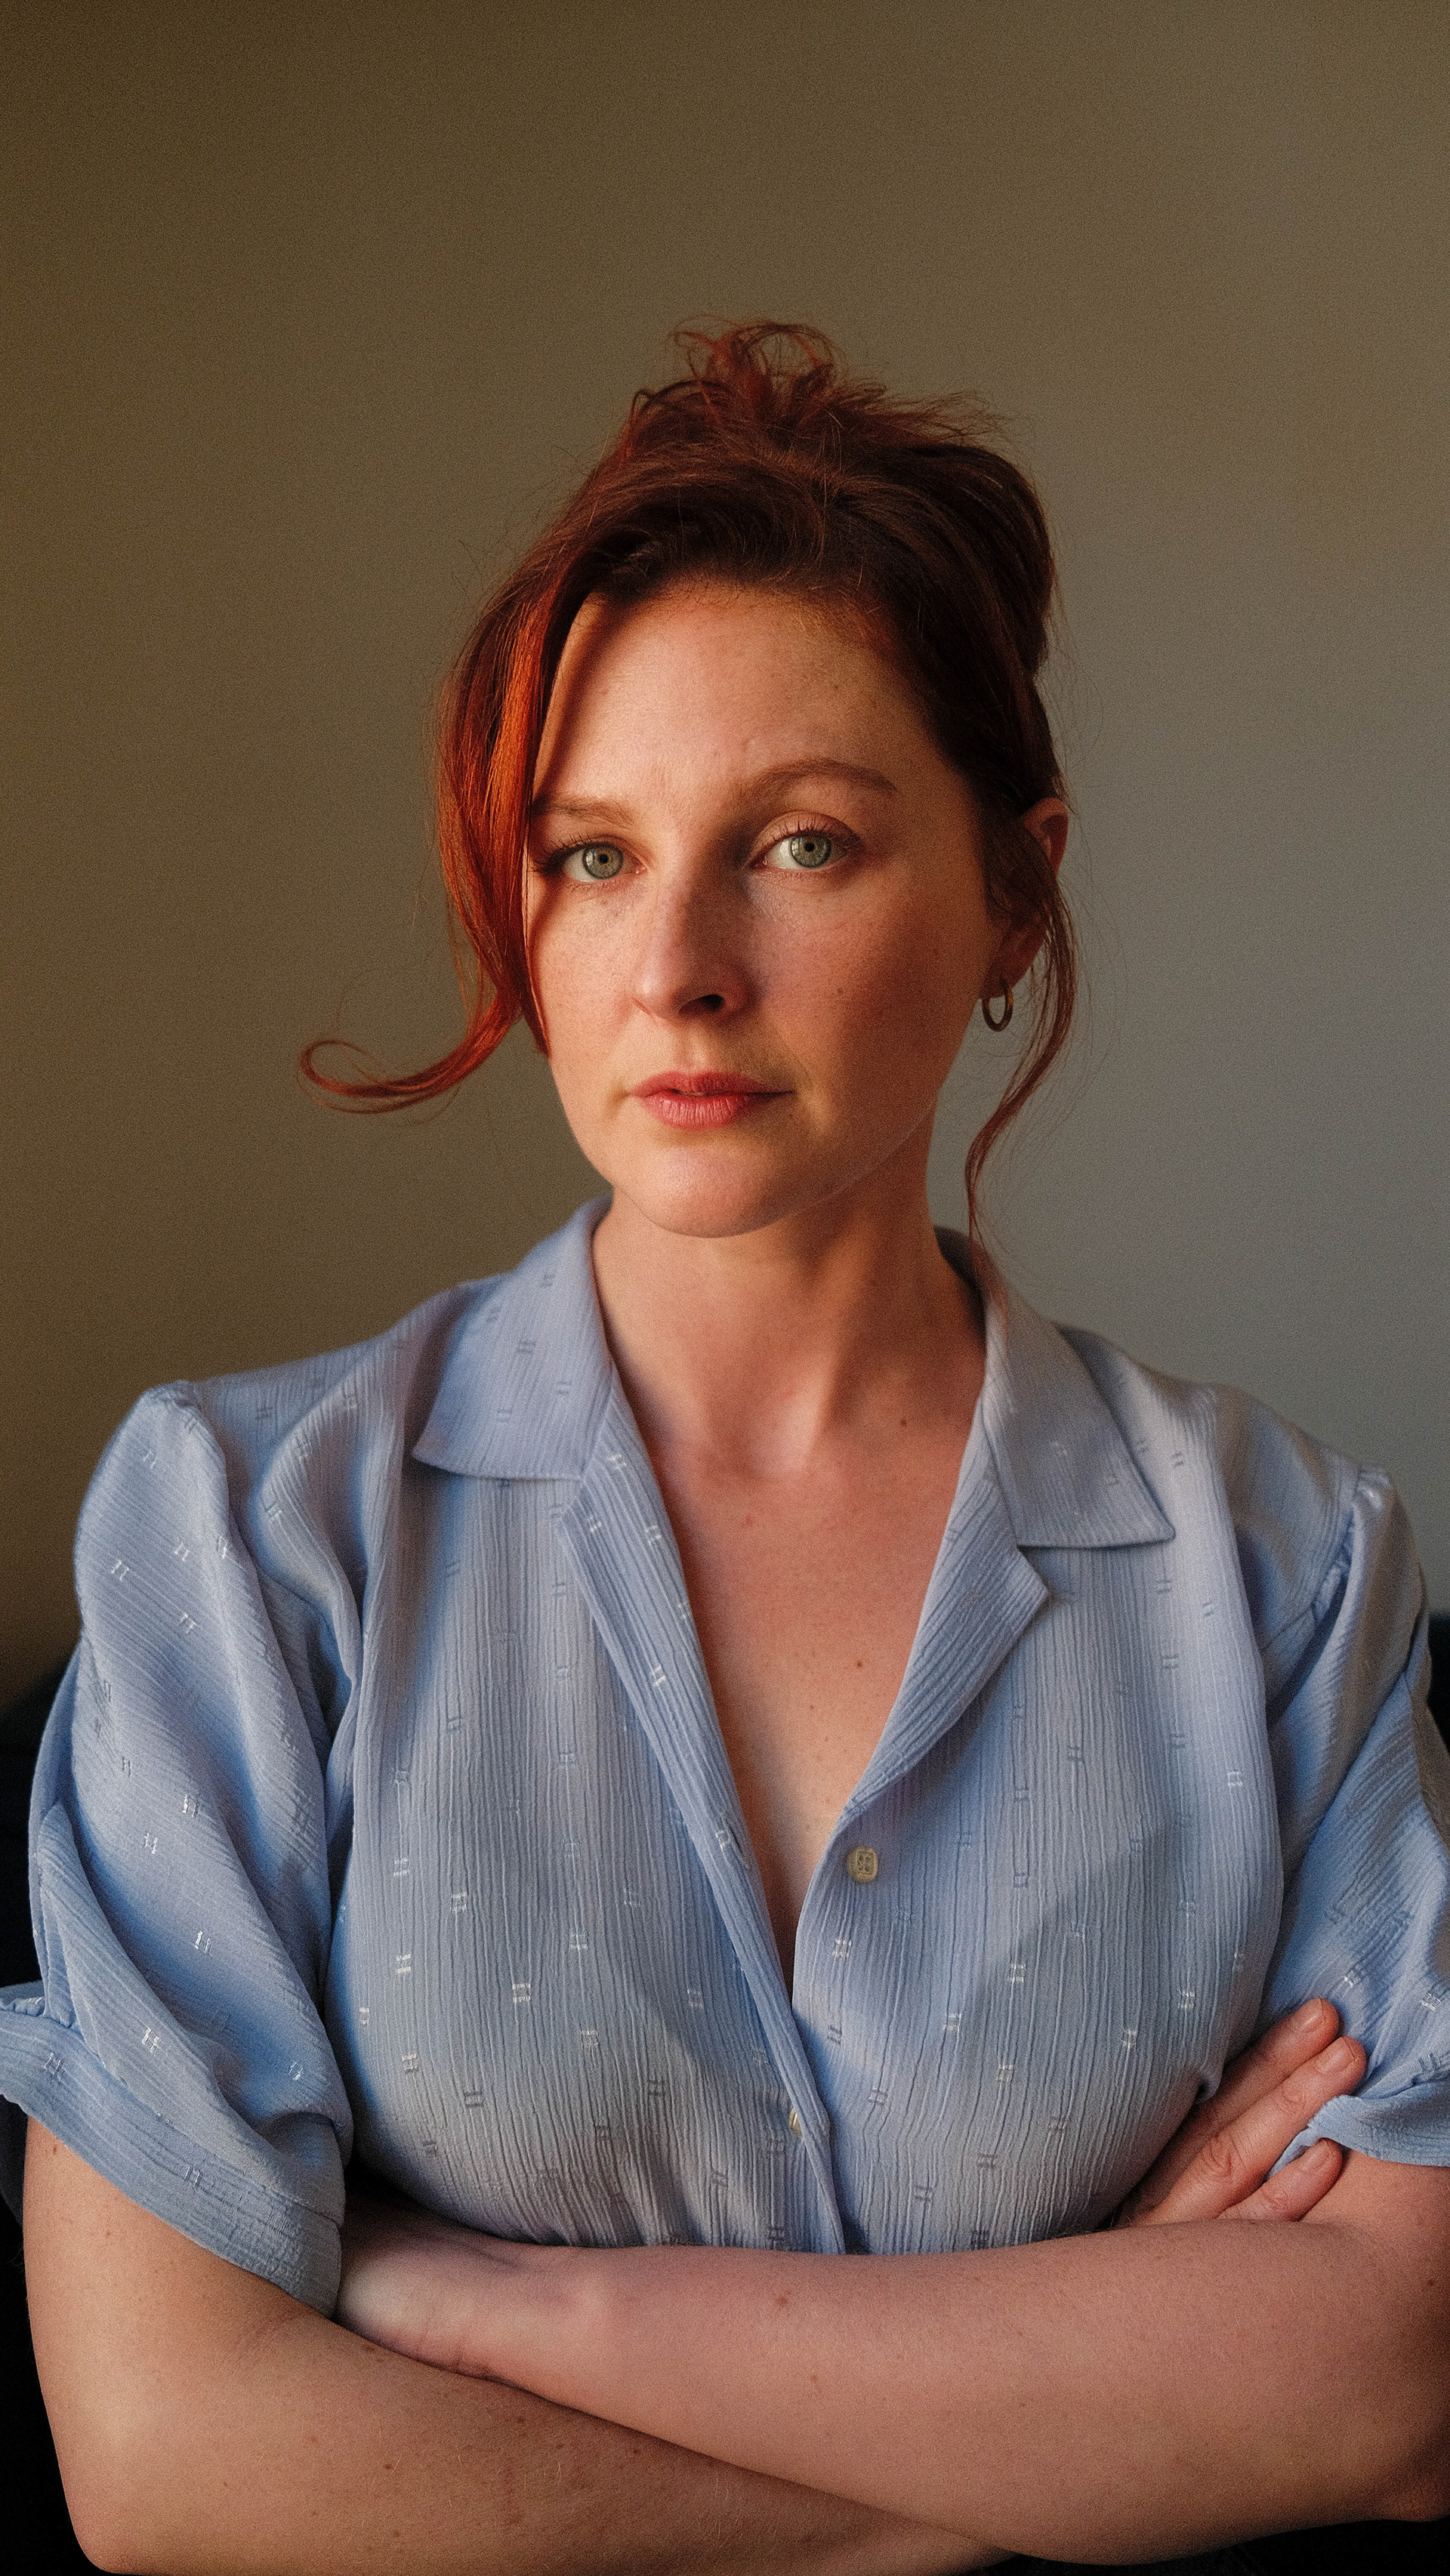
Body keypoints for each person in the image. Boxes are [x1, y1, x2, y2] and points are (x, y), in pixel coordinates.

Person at [4, 324, 1448, 2576]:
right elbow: (170, 2454)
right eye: (590, 855)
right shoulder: (249, 1537)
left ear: (1017, 892)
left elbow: (1381, 2384)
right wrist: (1049, 2440)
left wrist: (487, 2299)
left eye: (800, 843)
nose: (674, 963)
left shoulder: (1283, 1565)